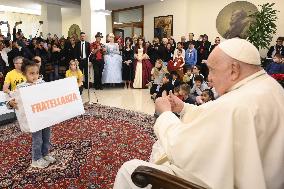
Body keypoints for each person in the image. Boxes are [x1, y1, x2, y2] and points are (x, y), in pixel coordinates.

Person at [113, 38, 284, 189]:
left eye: (213, 70)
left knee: (130, 170)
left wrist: (165, 114)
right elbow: (216, 114)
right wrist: (184, 108)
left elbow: (180, 148)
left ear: (234, 70)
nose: (209, 79)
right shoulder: (269, 86)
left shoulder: (235, 104)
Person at [7, 59, 56, 168]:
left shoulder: (42, 83)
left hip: (44, 116)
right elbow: (10, 99)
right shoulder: (21, 88)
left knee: (46, 136)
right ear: (24, 74)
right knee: (37, 139)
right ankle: (36, 158)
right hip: (34, 119)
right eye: (32, 73)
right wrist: (10, 103)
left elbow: (50, 94)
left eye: (37, 73)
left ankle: (45, 154)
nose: (35, 76)